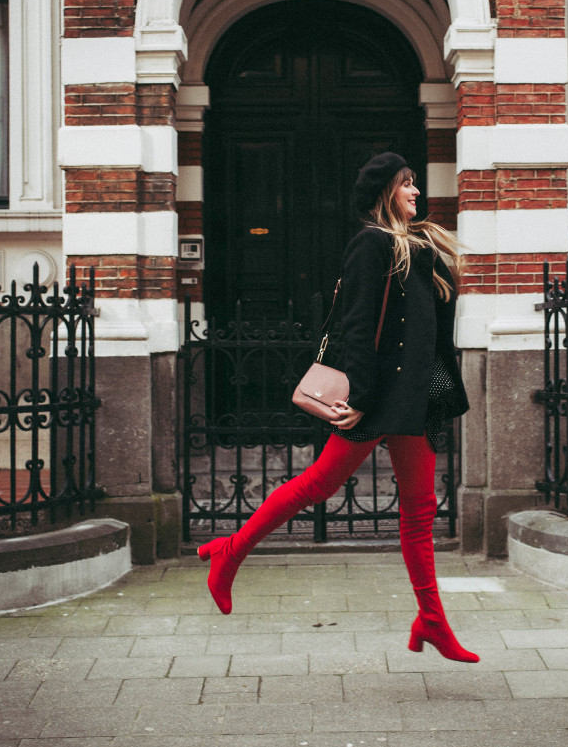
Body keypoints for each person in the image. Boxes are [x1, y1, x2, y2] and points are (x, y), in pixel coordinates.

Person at [198, 151, 478, 664]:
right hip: (377, 398)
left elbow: (428, 334)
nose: (416, 192)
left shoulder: (417, 247)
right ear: (384, 194)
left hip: (411, 398)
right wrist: (363, 399)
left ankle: (432, 622)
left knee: (419, 512)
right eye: (406, 184)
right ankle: (229, 552)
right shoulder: (371, 245)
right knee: (319, 484)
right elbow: (355, 325)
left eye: (415, 183)